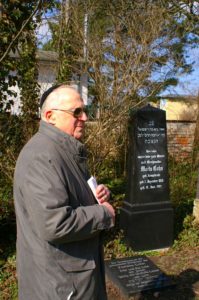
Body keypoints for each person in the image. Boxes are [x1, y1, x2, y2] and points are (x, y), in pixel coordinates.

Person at [14, 84, 115, 300]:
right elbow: (54, 223)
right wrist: (104, 213)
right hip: (60, 285)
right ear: (50, 116)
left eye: (84, 110)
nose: (85, 117)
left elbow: (70, 197)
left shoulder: (64, 151)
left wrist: (97, 196)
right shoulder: (42, 156)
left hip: (72, 278)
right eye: (76, 112)